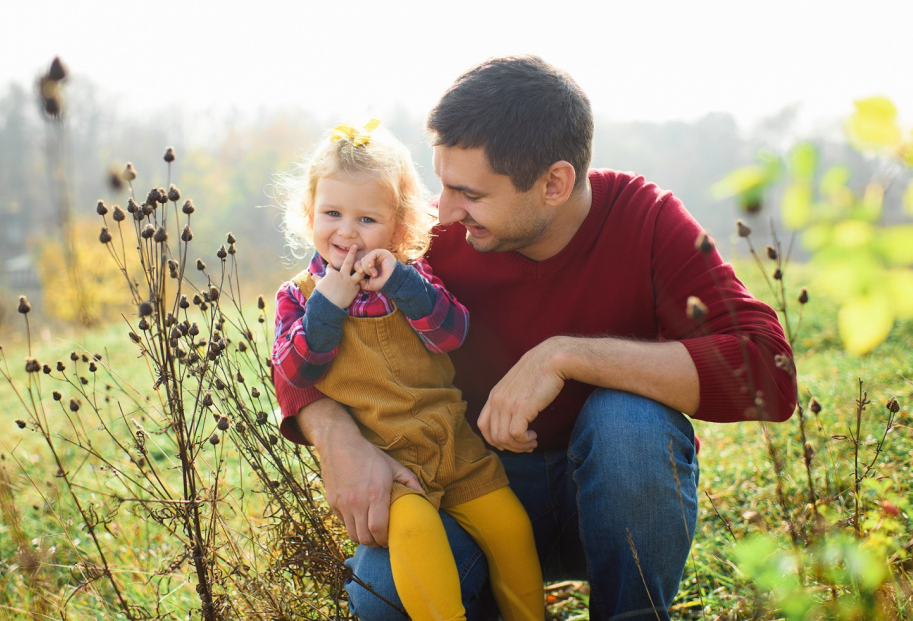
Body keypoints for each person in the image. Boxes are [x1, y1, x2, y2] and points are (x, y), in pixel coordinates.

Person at [275, 56, 798, 620]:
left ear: (554, 183)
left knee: (631, 424)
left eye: (468, 193)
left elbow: (769, 371)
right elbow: (304, 345)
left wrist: (567, 356)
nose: (443, 210)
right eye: (442, 184)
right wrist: (337, 440)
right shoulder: (419, 241)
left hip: (612, 493)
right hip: (470, 485)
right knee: (381, 590)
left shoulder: (646, 222)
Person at [271, 119, 545, 621]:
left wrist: (400, 282)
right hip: (388, 464)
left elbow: (451, 333)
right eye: (332, 213)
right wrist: (329, 304)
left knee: (510, 528)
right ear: (309, 213)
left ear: (398, 226)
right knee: (417, 536)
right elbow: (296, 372)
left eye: (367, 219)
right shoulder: (298, 297)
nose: (347, 232)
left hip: (454, 446)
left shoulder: (412, 277)